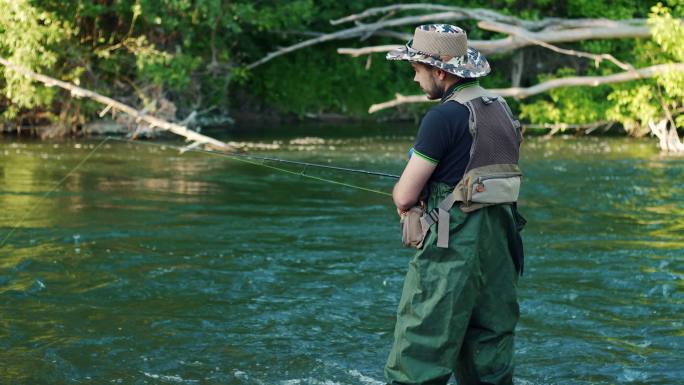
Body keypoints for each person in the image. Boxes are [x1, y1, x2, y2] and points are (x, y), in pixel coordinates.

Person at [385, 24, 525, 385]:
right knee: (489, 346)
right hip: (502, 245)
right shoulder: (502, 111)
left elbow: (404, 194)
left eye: (417, 70)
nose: (415, 79)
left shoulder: (442, 117)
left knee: (423, 342)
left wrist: (406, 202)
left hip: (453, 244)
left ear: (440, 71)